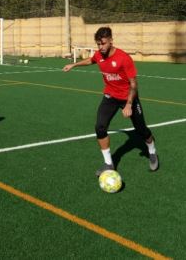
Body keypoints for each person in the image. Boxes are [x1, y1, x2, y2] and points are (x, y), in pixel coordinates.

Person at [63, 26, 159, 176]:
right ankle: (109, 163)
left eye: (103, 43)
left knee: (141, 130)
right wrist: (74, 65)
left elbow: (133, 84)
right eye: (98, 44)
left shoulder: (123, 58)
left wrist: (128, 104)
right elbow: (91, 60)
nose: (101, 47)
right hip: (110, 96)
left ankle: (152, 151)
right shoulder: (99, 54)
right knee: (100, 127)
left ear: (111, 41)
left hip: (128, 97)